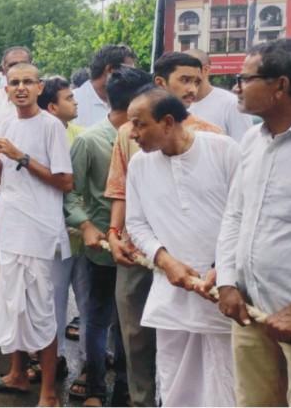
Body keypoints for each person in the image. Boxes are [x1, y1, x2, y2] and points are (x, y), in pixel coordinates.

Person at [103, 51, 221, 407]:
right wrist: (114, 234)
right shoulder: (130, 134)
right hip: (139, 253)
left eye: (197, 80)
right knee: (136, 333)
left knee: (199, 339)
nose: (192, 88)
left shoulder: (214, 138)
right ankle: (142, 400)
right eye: (184, 80)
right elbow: (120, 190)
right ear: (160, 83)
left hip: (197, 261)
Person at [213, 38, 291, 406]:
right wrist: (227, 281)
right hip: (251, 311)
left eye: (245, 79)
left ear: (281, 86)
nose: (237, 88)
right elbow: (235, 214)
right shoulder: (251, 140)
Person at [125, 88, 239, 406]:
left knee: (226, 382)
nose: (132, 133)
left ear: (167, 122)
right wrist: (166, 261)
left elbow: (243, 215)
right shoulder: (139, 165)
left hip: (224, 292)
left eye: (139, 124)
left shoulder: (224, 150)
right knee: (174, 381)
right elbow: (136, 224)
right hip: (171, 294)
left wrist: (223, 268)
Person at [0, 62, 73, 408]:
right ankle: (16, 374)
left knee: (40, 310)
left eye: (27, 82)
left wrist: (20, 156)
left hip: (38, 231)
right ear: (6, 90)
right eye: (14, 82)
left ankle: (48, 393)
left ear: (39, 87)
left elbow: (65, 181)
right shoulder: (4, 123)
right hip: (9, 227)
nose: (20, 88)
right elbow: (1, 176)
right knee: (10, 303)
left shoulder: (51, 126)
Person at [65, 67, 151, 407]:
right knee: (96, 319)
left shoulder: (151, 139)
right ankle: (95, 388)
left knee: (132, 325)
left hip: (141, 249)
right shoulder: (90, 141)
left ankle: (126, 389)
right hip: (100, 248)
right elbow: (70, 193)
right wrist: (86, 225)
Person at [37, 75, 87, 384]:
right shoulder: (38, 137)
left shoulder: (82, 136)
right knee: (52, 300)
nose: (75, 101)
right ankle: (53, 360)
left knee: (88, 302)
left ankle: (90, 363)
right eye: (69, 98)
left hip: (85, 231)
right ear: (52, 108)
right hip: (54, 232)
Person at [185, 48, 253, 140]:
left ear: (205, 70)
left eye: (186, 71)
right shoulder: (176, 105)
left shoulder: (231, 103)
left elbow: (243, 143)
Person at [74, 45, 137, 127]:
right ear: (110, 70)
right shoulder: (75, 102)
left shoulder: (132, 103)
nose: (132, 77)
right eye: (129, 71)